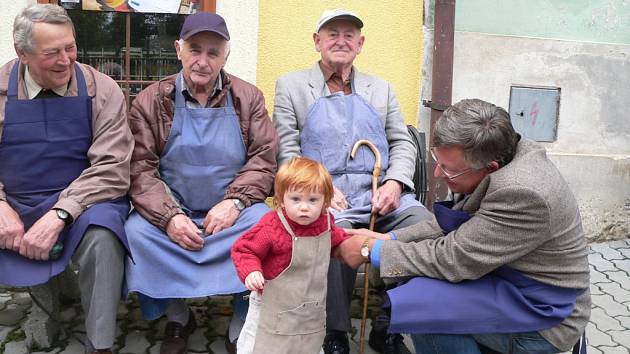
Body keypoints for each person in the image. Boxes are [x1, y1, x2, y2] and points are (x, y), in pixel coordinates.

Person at [338, 99, 591, 354]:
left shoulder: (521, 191)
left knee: (422, 307)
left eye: (449, 169)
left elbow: (453, 258)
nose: (438, 173)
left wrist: (369, 250)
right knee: (416, 280)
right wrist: (388, 237)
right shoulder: (500, 153)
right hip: (507, 280)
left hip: (543, 309)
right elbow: (453, 221)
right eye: (437, 160)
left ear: (490, 168)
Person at [272, 8, 432, 354]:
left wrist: (395, 184)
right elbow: (287, 150)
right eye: (332, 34)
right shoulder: (292, 86)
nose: (341, 41)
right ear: (317, 42)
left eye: (349, 35)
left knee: (425, 228)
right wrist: (319, 193)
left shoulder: (382, 88)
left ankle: (389, 326)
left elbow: (402, 142)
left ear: (360, 44)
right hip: (326, 195)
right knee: (330, 233)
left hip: (381, 192)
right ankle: (335, 333)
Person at [124, 12, 278, 354]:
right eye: (195, 49)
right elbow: (140, 169)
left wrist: (235, 203)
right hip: (172, 211)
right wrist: (170, 217)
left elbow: (264, 158)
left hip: (231, 212)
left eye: (213, 52)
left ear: (226, 56)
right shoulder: (151, 99)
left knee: (267, 227)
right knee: (134, 233)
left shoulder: (248, 97)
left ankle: (242, 319)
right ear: (179, 49)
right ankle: (177, 315)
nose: (202, 61)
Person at [0, 4, 133, 354]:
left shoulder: (101, 89)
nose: (65, 60)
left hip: (84, 201)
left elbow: (113, 165)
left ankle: (100, 343)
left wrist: (62, 212)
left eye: (70, 47)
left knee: (104, 238)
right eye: (52, 52)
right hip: (13, 201)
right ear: (22, 53)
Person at [232, 157, 348, 354]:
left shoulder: (326, 223)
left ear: (325, 200)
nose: (304, 207)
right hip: (271, 306)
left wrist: (359, 246)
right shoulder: (272, 226)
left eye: (313, 200)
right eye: (296, 199)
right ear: (281, 199)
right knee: (261, 347)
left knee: (308, 346)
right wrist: (251, 271)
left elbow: (337, 240)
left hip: (310, 307)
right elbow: (244, 249)